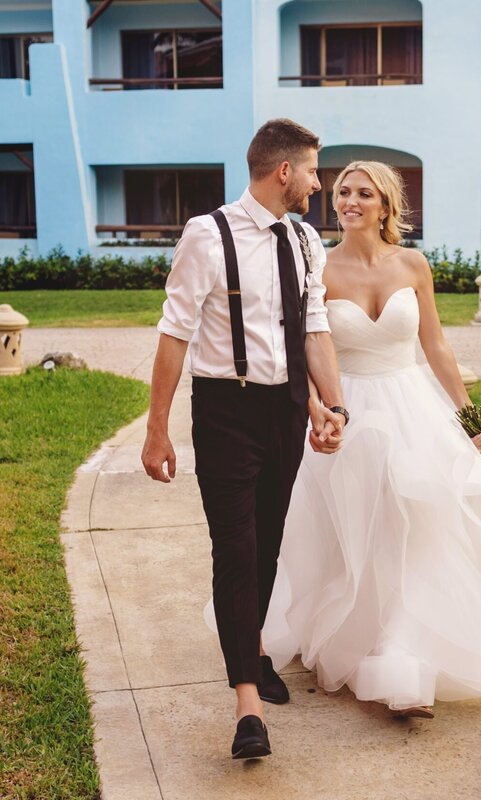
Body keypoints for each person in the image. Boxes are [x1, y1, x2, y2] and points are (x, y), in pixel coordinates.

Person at [262, 161, 481, 718]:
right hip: (350, 411)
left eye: (363, 193)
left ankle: (404, 662)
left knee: (421, 525)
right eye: (342, 192)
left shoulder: (413, 264)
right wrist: (320, 409)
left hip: (412, 408)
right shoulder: (319, 268)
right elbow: (307, 346)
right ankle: (372, 642)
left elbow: (437, 347)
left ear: (386, 205)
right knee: (366, 531)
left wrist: (469, 414)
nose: (349, 201)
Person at [141, 119, 347, 760]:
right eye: (313, 170)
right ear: (283, 171)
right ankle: (247, 708)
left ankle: (252, 646)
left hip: (286, 412)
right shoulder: (208, 235)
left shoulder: (308, 239)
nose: (320, 182)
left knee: (265, 544)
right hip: (225, 413)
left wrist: (331, 404)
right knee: (236, 550)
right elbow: (174, 334)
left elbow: (312, 329)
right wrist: (157, 430)